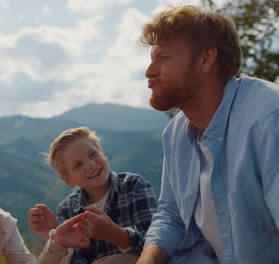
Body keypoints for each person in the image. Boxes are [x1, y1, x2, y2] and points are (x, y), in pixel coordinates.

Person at [137, 5, 279, 264]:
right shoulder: (175, 133)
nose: (149, 71)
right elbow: (171, 216)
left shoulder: (268, 117)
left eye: (163, 58)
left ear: (206, 59)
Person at [29, 126, 157, 264]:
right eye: (78, 164)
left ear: (104, 155)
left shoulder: (133, 185)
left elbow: (156, 244)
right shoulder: (68, 208)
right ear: (68, 180)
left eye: (93, 154)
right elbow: (78, 260)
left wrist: (116, 234)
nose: (90, 164)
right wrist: (53, 234)